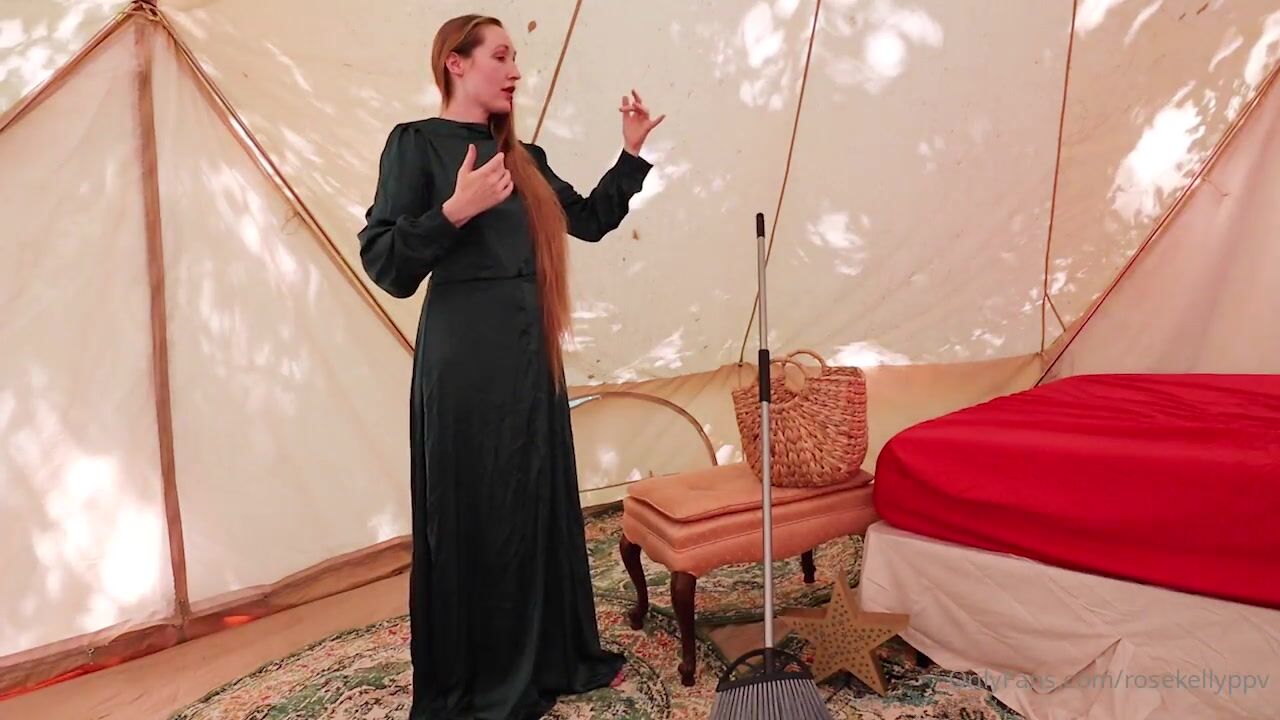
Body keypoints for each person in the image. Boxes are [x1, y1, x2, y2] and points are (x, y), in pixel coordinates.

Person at [356, 13, 665, 720]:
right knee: (481, 507)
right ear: (456, 63)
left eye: (515, 57)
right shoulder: (415, 144)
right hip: (466, 360)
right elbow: (386, 263)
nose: (515, 70)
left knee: (534, 500)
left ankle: (554, 658)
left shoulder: (525, 156)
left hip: (531, 355)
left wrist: (630, 155)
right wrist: (453, 212)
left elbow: (588, 220)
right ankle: (486, 677)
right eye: (500, 55)